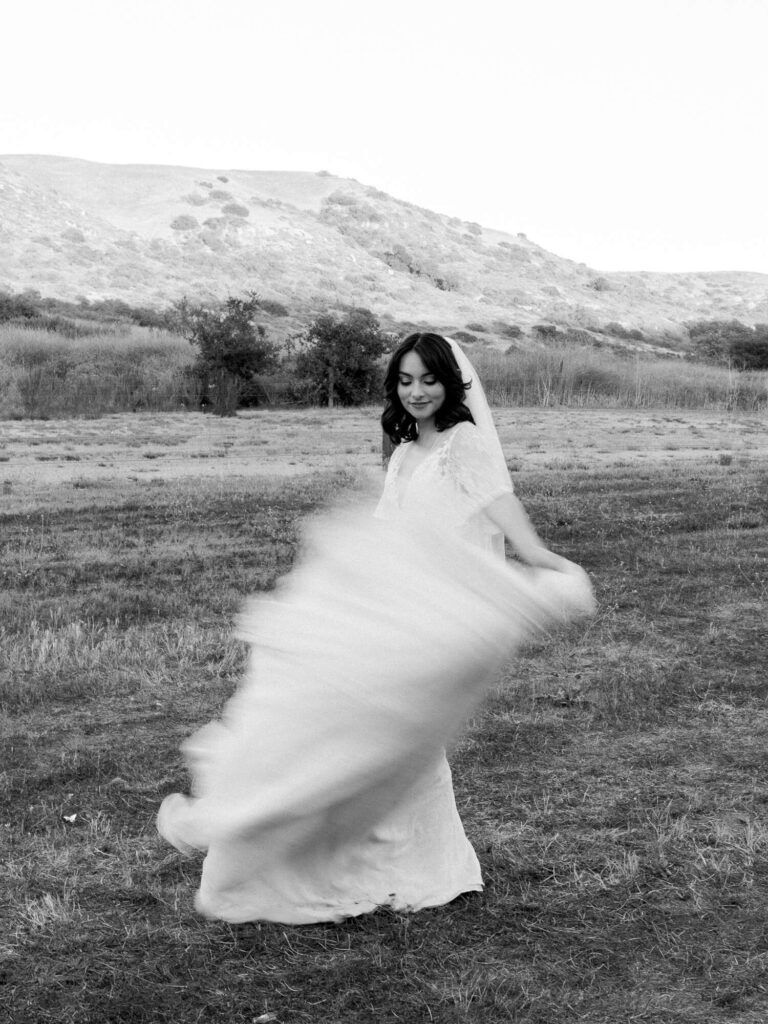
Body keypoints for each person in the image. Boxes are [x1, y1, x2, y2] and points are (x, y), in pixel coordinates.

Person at [157, 333, 593, 924]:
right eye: (406, 381)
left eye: (428, 380)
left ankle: (409, 865)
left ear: (450, 384)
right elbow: (390, 532)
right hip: (396, 605)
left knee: (395, 731)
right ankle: (357, 855)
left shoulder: (464, 445)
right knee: (341, 721)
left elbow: (505, 512)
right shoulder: (405, 450)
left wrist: (545, 562)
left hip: (430, 613)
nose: (417, 392)